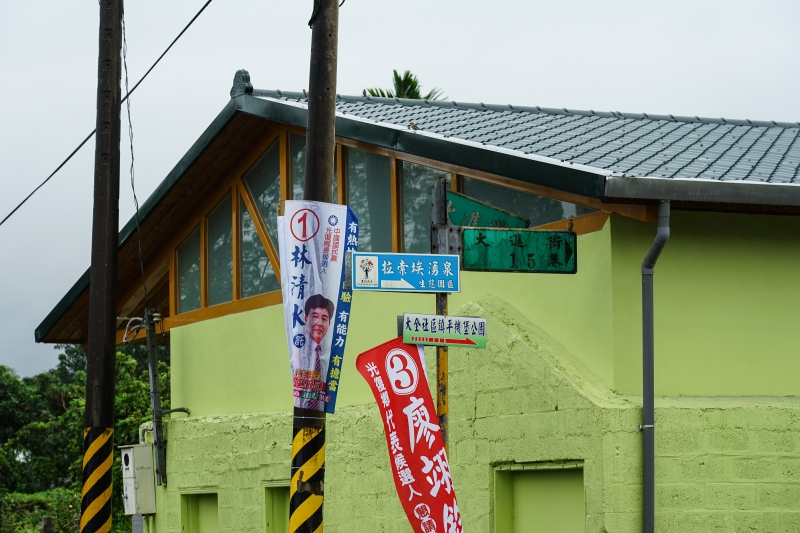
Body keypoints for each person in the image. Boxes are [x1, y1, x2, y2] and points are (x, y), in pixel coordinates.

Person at [292, 294, 335, 409]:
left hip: (320, 411)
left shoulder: (327, 351)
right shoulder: (297, 348)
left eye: (324, 319)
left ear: (329, 324)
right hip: (301, 413)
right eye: (315, 316)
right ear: (306, 319)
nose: (319, 323)